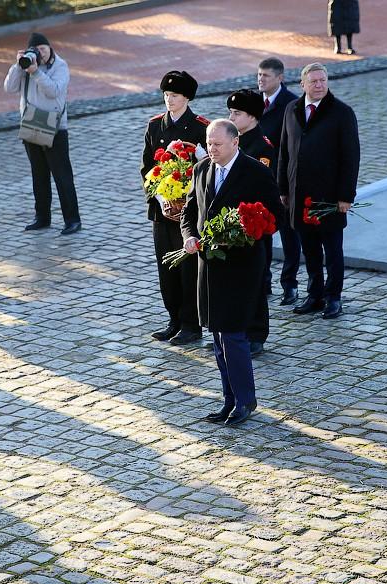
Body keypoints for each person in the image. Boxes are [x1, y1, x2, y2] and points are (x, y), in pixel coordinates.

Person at [181, 119, 278, 426]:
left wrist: (243, 232)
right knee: (217, 337)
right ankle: (229, 399)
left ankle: (245, 400)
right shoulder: (201, 170)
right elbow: (189, 212)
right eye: (209, 143)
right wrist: (188, 237)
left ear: (235, 142)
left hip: (241, 268)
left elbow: (274, 216)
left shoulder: (256, 173)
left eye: (218, 144)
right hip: (208, 268)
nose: (212, 149)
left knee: (233, 335)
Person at [277, 63, 360, 320]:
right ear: (303, 84)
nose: (319, 84)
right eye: (313, 81)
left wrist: (346, 196)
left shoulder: (342, 113)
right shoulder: (291, 110)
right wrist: (282, 188)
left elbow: (351, 157)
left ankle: (333, 297)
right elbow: (283, 151)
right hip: (299, 195)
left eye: (323, 80)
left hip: (329, 197)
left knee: (332, 250)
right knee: (309, 248)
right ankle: (315, 295)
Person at [140, 70, 210, 346]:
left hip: (189, 211)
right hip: (162, 210)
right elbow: (147, 168)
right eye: (166, 95)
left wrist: (187, 200)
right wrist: (160, 198)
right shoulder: (155, 126)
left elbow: (206, 169)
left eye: (175, 96)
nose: (170, 100)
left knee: (188, 269)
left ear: (187, 98)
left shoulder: (200, 127)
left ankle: (192, 325)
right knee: (166, 268)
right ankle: (174, 320)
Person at [4, 32, 82, 235]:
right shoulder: (26, 65)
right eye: (36, 50)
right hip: (31, 125)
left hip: (55, 128)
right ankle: (42, 217)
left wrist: (36, 72)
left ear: (49, 48)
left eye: (43, 49)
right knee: (38, 175)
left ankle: (72, 220)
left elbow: (54, 91)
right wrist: (17, 66)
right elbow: (9, 87)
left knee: (62, 176)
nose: (40, 53)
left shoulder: (60, 66)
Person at [226, 89, 277, 357]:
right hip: (230, 224)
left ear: (253, 117)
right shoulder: (230, 141)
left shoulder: (262, 147)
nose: (231, 117)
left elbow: (263, 189)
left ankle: (256, 333)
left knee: (256, 282)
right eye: (230, 112)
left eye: (237, 113)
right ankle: (235, 329)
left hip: (253, 226)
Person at [257, 58, 301, 306]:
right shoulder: (254, 104)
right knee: (261, 234)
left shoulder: (290, 104)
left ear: (280, 78)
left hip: (282, 181)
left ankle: (290, 285)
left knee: (289, 236)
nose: (261, 79)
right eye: (259, 75)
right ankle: (263, 281)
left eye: (266, 76)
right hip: (260, 182)